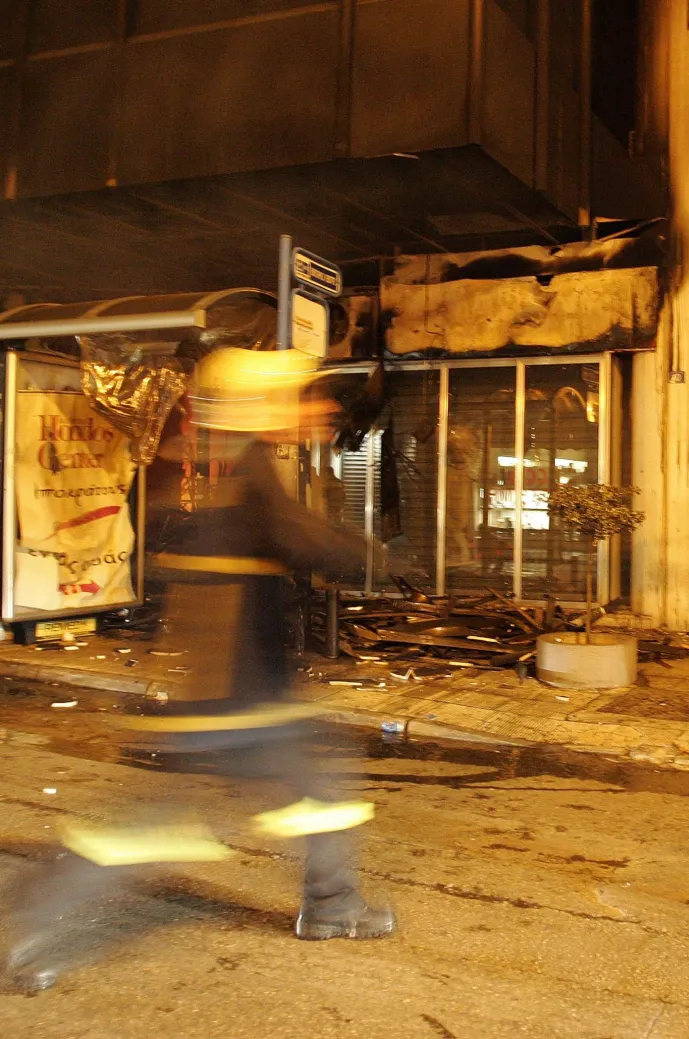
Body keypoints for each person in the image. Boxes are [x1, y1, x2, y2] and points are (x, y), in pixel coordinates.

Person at [4, 347, 395, 994]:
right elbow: (302, 539)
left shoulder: (209, 464)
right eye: (297, 398)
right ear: (258, 406)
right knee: (157, 826)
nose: (312, 410)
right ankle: (30, 914)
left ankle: (332, 907)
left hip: (232, 692)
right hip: (230, 699)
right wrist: (367, 551)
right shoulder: (247, 474)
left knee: (309, 792)